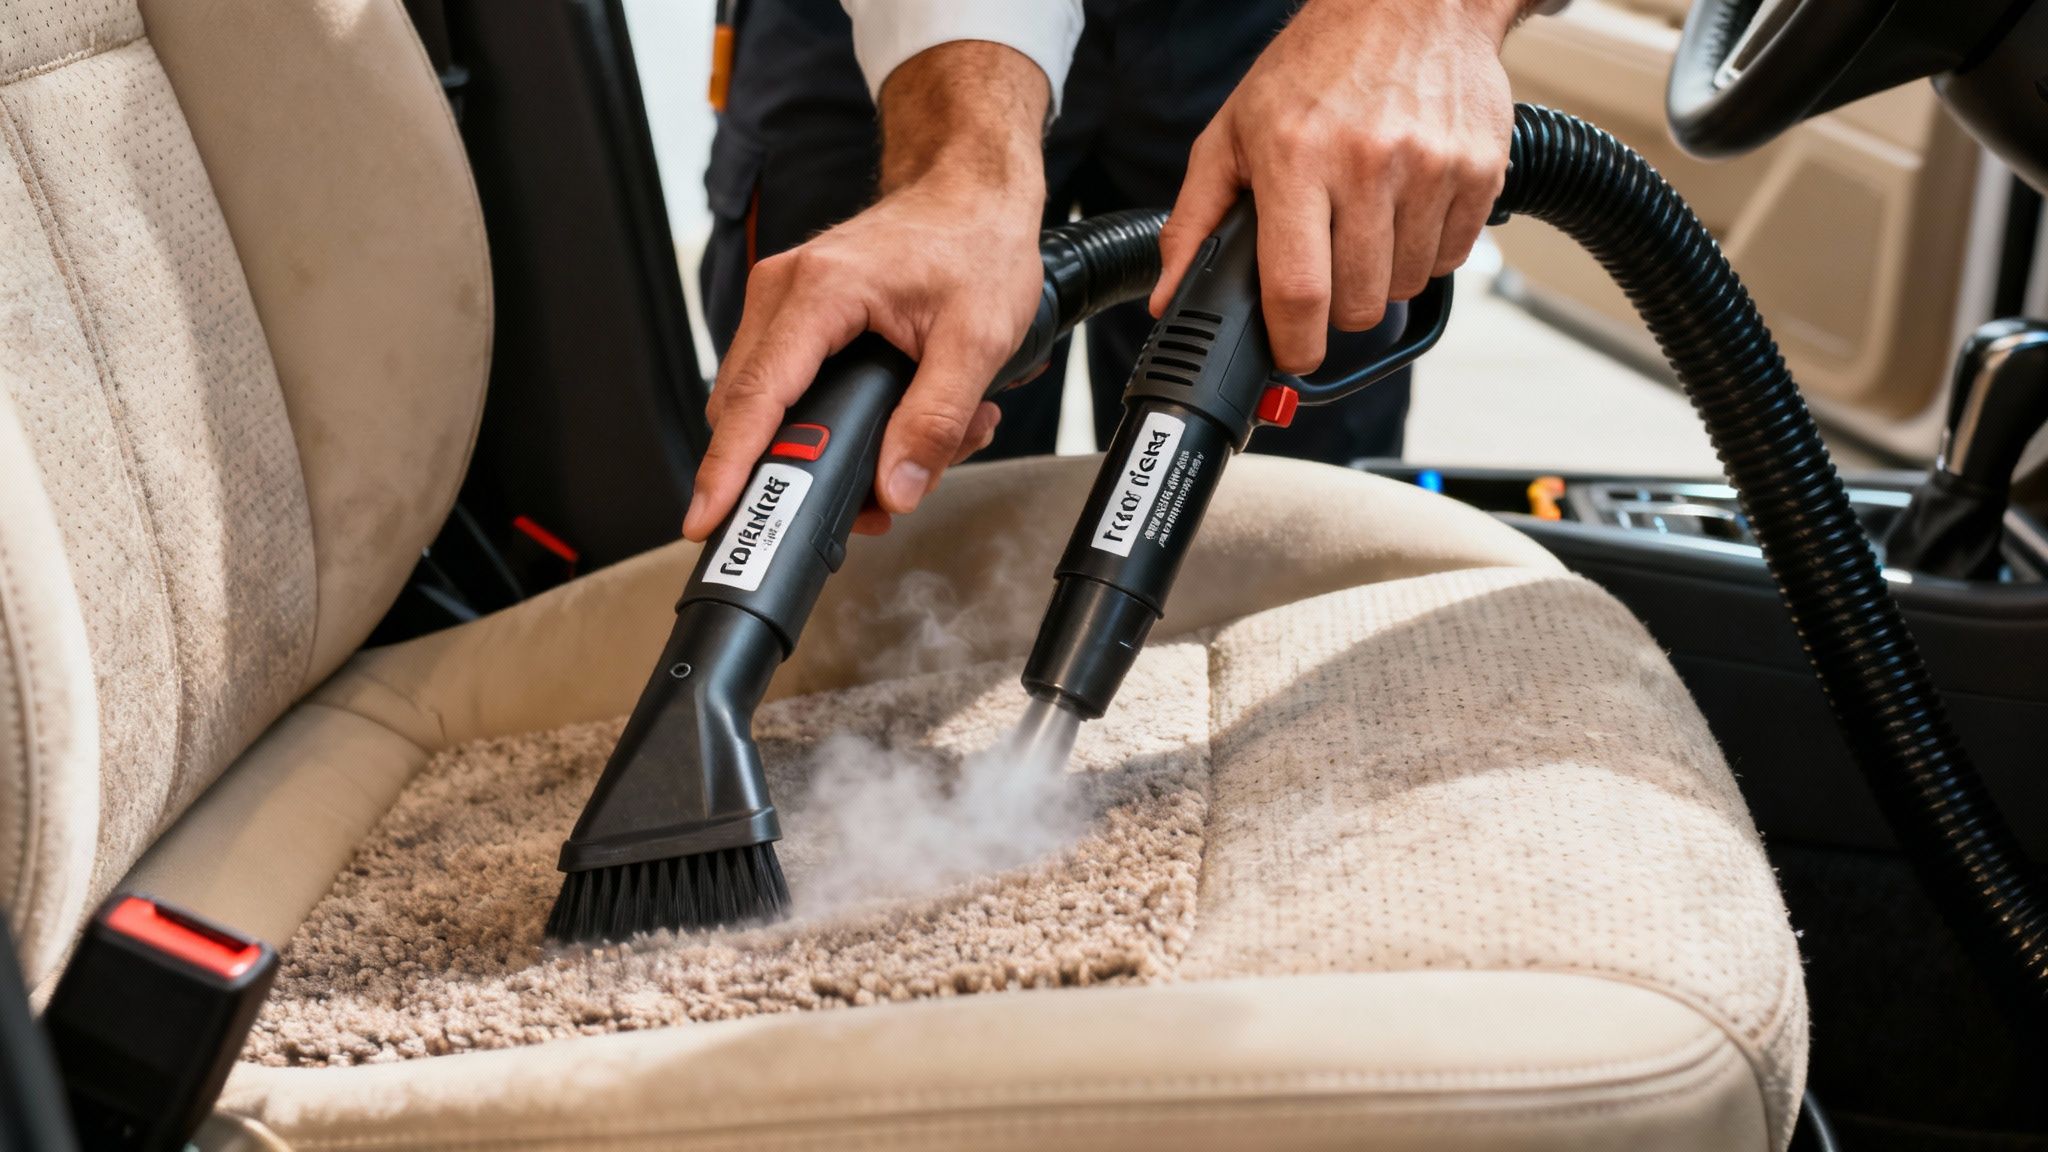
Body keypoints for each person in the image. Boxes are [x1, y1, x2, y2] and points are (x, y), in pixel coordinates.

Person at [687, 0, 1555, 542]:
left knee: (1274, 529)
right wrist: (961, 163)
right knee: (880, 432)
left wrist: (1428, 12)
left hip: (1294, 21)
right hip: (869, 28)